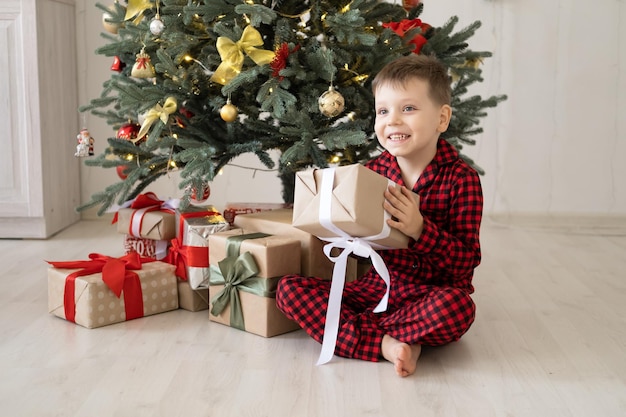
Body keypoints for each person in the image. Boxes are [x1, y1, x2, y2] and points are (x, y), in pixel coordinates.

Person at [276, 54, 483, 377]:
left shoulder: (462, 180)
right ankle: (393, 341)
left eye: (408, 108)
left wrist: (421, 229)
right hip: (376, 290)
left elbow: (466, 262)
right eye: (383, 111)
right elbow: (353, 245)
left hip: (431, 296)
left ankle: (361, 335)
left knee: (457, 309)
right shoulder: (371, 174)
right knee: (289, 290)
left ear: (442, 119)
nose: (393, 120)